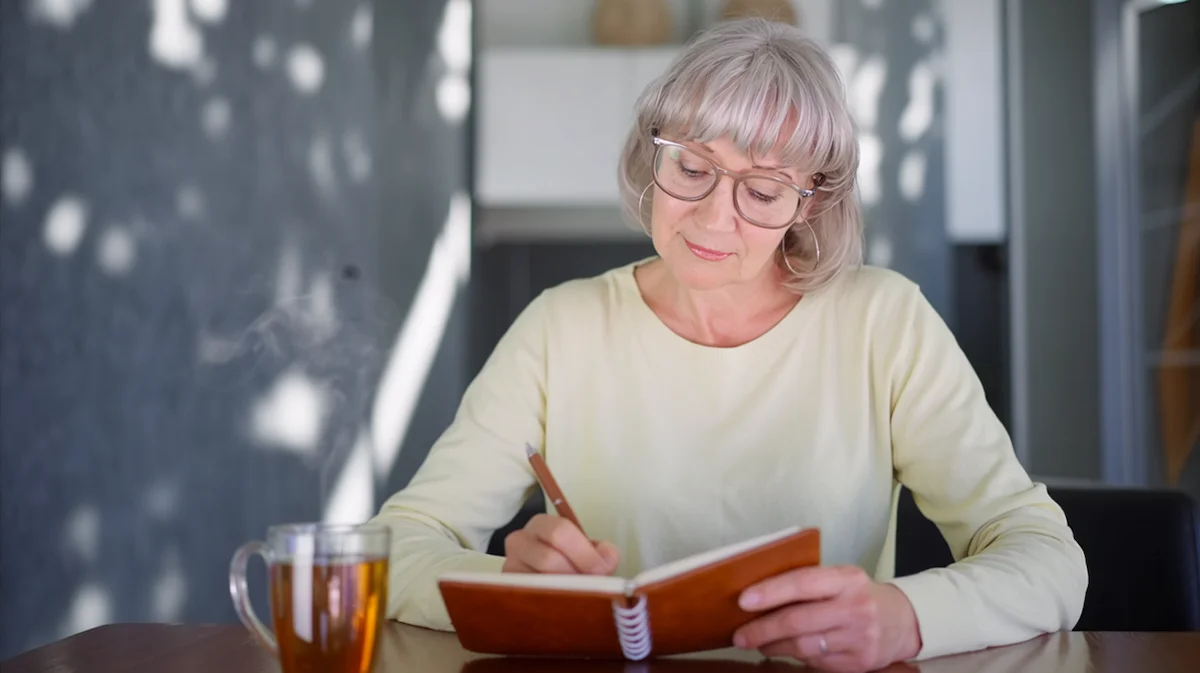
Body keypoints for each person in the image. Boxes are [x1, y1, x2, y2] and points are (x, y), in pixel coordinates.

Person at [368, 17, 1087, 673]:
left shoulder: (883, 321)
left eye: (764, 190)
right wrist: (515, 587)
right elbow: (397, 542)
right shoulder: (562, 326)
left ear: (813, 201)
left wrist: (906, 617)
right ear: (651, 158)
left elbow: (1046, 557)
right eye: (690, 167)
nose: (713, 218)